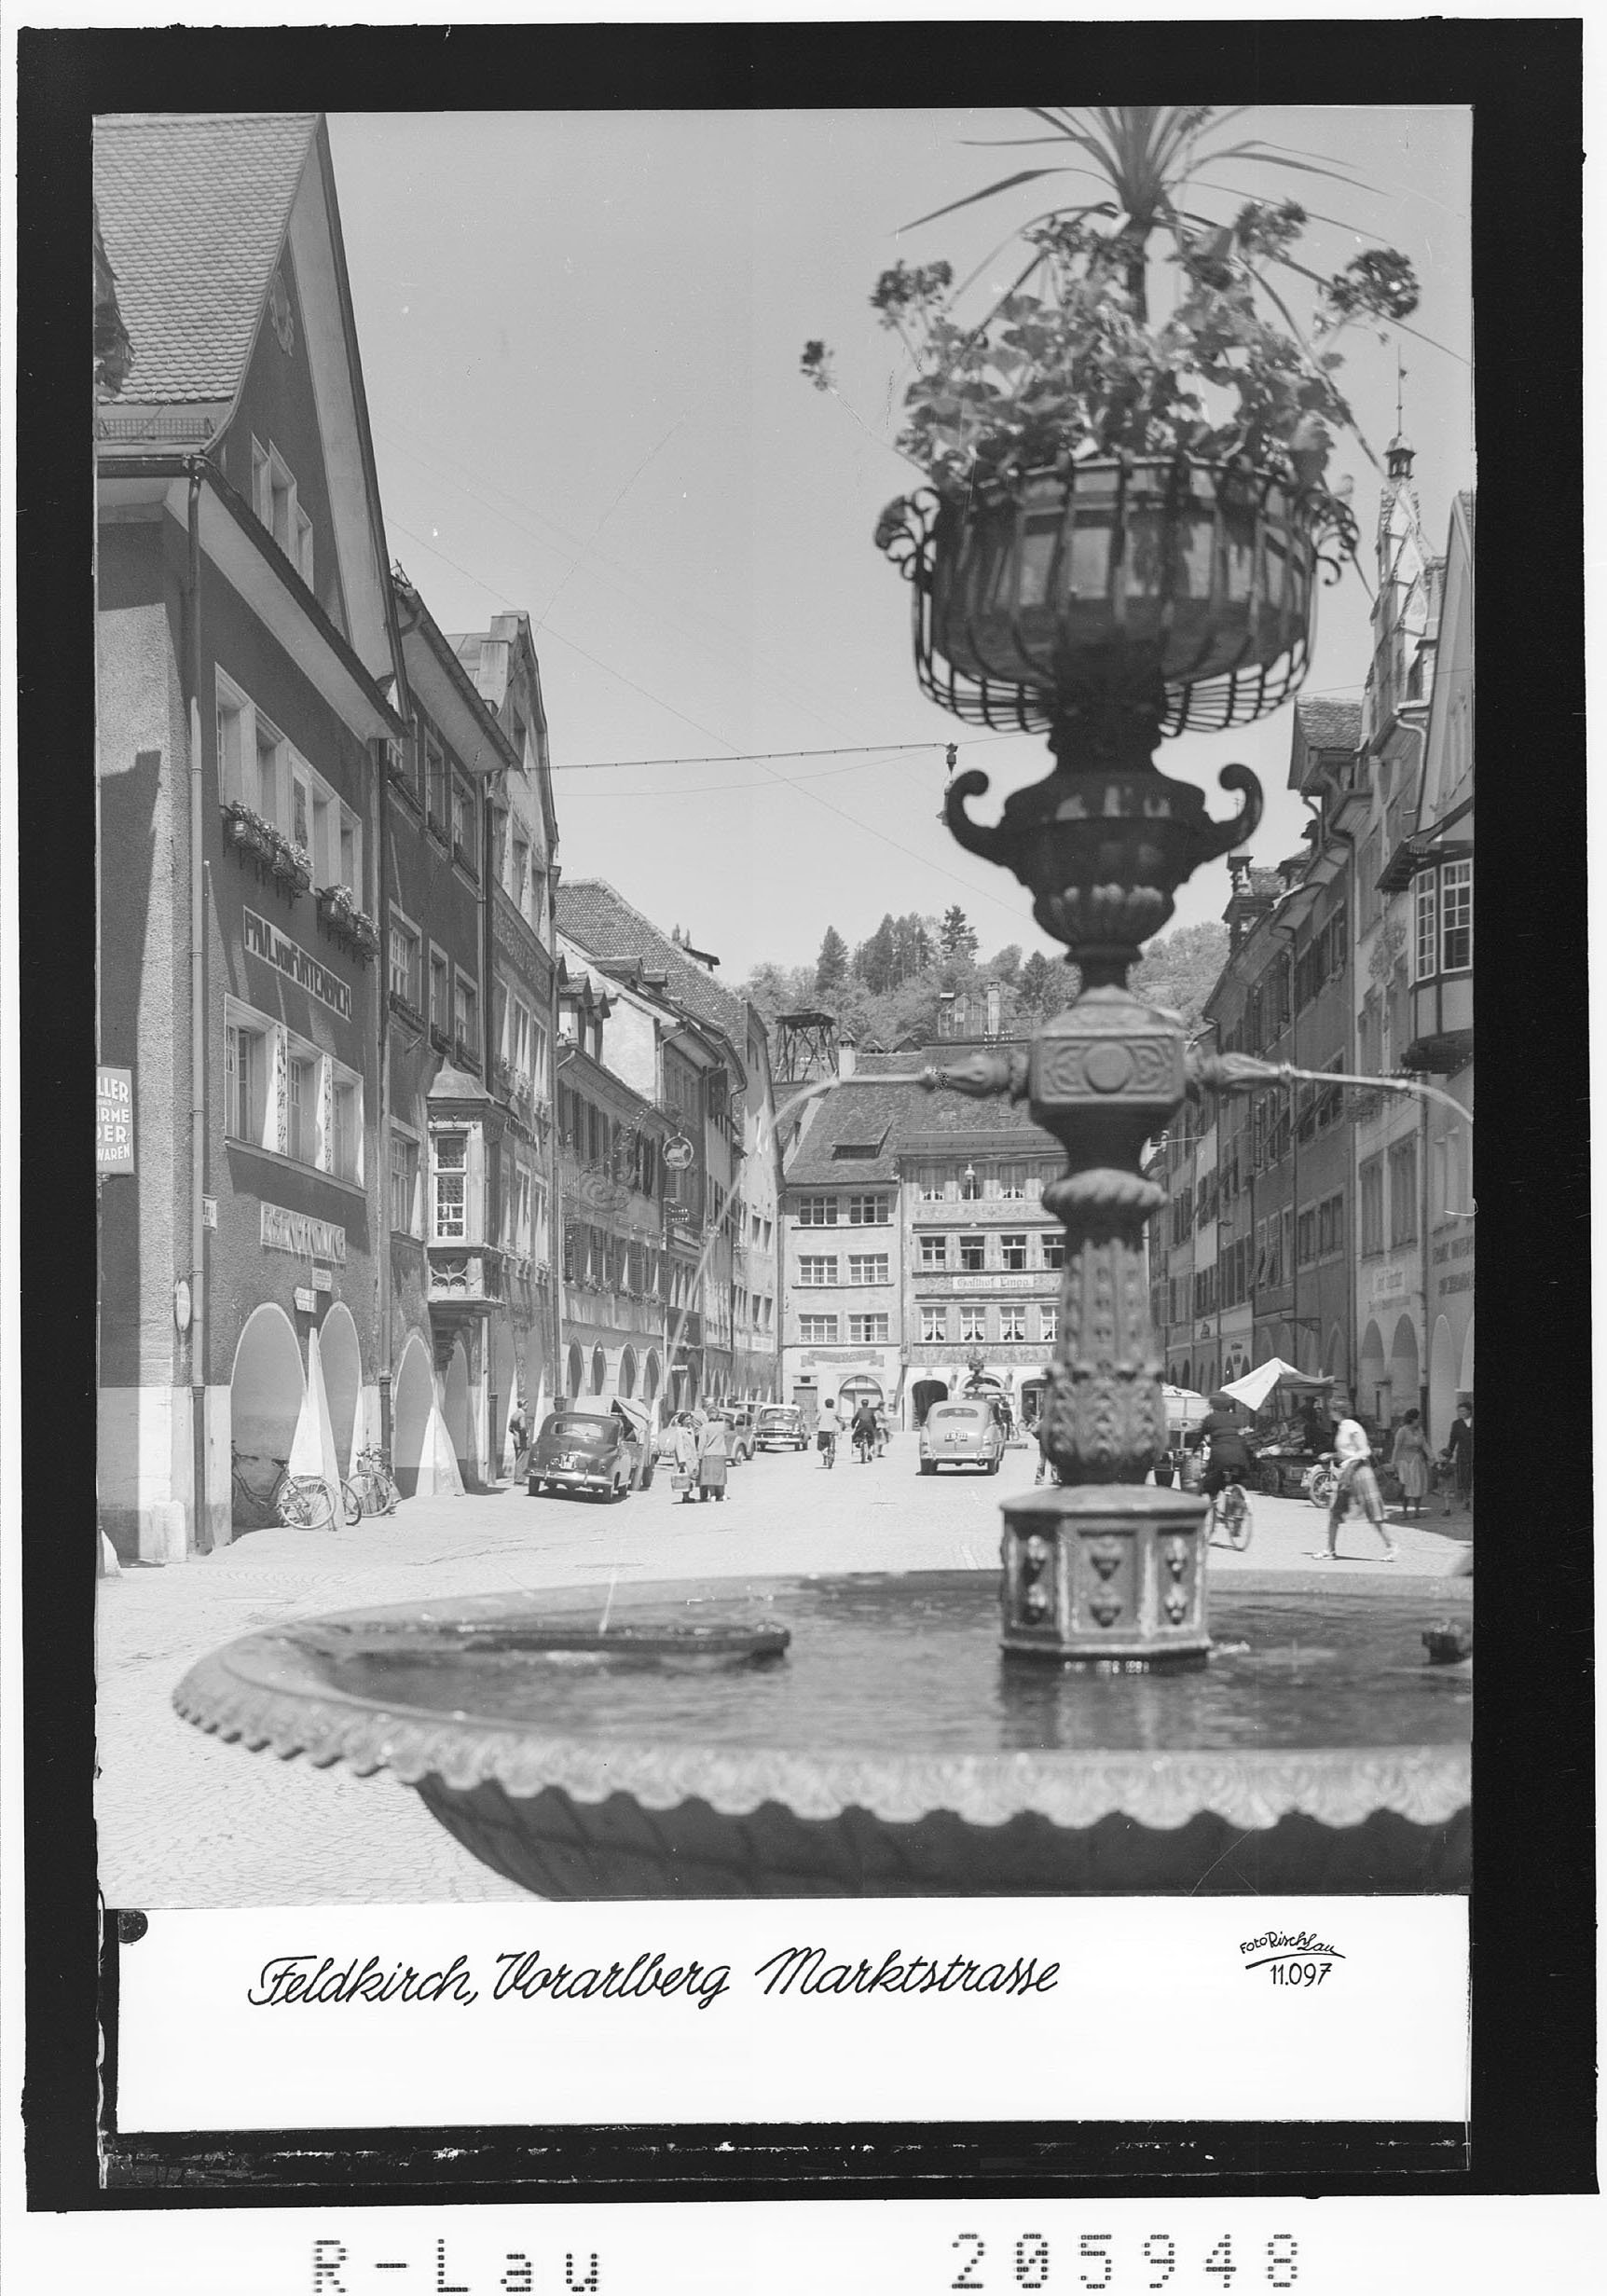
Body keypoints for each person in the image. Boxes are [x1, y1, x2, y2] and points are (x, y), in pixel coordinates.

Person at [1317, 1408, 1398, 1562]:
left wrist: (1349, 1461)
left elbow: (1364, 1451)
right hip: (1348, 1473)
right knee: (1336, 1511)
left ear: (1338, 1411)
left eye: (1332, 1410)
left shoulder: (1353, 1427)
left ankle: (1391, 1545)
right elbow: (1347, 1452)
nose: (1329, 1413)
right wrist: (1333, 1455)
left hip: (1360, 1472)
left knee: (1373, 1513)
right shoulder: (1342, 1427)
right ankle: (1330, 1549)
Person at [1198, 1393, 1253, 1506]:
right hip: (1241, 1459)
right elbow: (1244, 1438)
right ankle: (1238, 1507)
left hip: (1220, 1459)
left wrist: (1192, 1450)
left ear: (1213, 1406)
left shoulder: (1210, 1419)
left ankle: (1212, 1505)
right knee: (1239, 1480)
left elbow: (1198, 1438)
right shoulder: (1237, 1419)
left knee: (1208, 1486)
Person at [1390, 1409, 1432, 1518]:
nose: (1420, 1420)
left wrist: (1432, 1457)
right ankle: (1405, 1512)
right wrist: (1393, 1462)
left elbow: (1424, 1444)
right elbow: (1396, 1447)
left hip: (1418, 1462)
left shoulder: (1419, 1430)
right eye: (1418, 1418)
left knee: (1418, 1485)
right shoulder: (1402, 1431)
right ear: (1412, 1419)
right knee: (1406, 1486)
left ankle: (1417, 1511)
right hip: (1405, 1462)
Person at [1443, 1399, 1474, 1512]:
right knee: (1465, 1478)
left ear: (1469, 1411)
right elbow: (1453, 1440)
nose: (1461, 1413)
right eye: (1459, 1411)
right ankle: (1467, 1501)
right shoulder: (1456, 1424)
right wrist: (1448, 1455)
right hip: (1463, 1454)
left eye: (1463, 1411)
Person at [671, 1411, 699, 1502]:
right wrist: (681, 1460)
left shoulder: (690, 1429)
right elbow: (679, 1446)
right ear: (682, 1420)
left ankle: (688, 1495)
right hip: (685, 1457)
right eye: (686, 1419)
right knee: (684, 1477)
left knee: (691, 1476)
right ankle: (685, 1496)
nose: (688, 1420)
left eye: (689, 1418)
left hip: (692, 1457)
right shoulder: (679, 1431)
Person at [850, 1398, 878, 1463]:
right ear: (867, 1404)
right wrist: (874, 1426)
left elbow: (855, 1419)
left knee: (856, 1434)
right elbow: (874, 1420)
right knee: (871, 1438)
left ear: (862, 1404)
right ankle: (869, 1451)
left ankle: (858, 1442)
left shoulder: (860, 1410)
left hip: (861, 1426)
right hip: (869, 1426)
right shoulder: (870, 1411)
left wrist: (853, 1425)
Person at [817, 1395, 840, 1468]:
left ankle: (825, 1453)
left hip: (822, 1430)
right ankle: (830, 1453)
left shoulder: (821, 1411)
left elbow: (816, 1419)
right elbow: (840, 1419)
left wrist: (818, 1422)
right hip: (832, 1431)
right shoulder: (835, 1411)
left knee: (821, 1445)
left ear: (825, 1404)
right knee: (831, 1443)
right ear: (833, 1404)